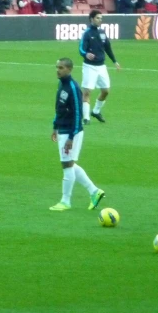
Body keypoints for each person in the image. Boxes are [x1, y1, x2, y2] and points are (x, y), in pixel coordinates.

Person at [49, 58, 106, 211]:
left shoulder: (73, 88)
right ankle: (94, 191)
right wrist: (55, 126)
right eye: (57, 67)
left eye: (61, 67)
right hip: (62, 130)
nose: (58, 70)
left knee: (66, 165)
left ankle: (65, 201)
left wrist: (71, 138)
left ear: (69, 69)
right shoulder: (61, 84)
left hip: (71, 131)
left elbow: (78, 113)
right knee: (70, 164)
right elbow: (59, 109)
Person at [78, 10, 120, 124]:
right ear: (91, 19)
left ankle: (96, 111)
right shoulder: (87, 33)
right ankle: (86, 118)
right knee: (87, 92)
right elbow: (81, 48)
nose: (100, 20)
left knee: (106, 90)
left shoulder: (102, 32)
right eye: (97, 18)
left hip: (101, 67)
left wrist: (114, 61)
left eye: (101, 18)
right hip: (89, 67)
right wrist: (86, 54)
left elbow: (108, 47)